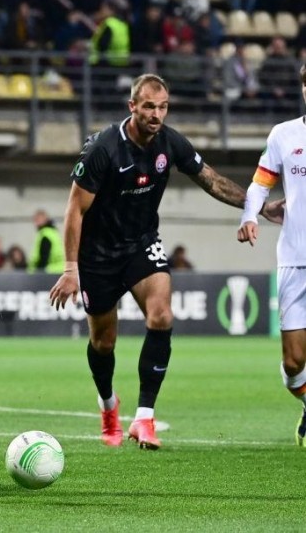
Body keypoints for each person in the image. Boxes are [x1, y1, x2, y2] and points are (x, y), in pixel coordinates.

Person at [48, 73, 283, 450]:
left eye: (163, 107)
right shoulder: (103, 149)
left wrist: (258, 207)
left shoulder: (170, 142)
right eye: (149, 107)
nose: (157, 114)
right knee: (104, 343)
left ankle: (144, 418)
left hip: (141, 245)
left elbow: (210, 179)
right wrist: (71, 269)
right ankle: (109, 404)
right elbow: (74, 211)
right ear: (132, 107)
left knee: (162, 316)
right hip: (98, 256)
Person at [238, 63, 306, 445]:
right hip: (295, 259)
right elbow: (260, 183)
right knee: (295, 364)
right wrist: (250, 216)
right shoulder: (284, 135)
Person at [28, 209, 65, 273]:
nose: (36, 222)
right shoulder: (53, 232)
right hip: (59, 270)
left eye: (37, 219)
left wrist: (38, 272)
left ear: (45, 219)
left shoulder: (45, 234)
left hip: (49, 272)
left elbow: (43, 257)